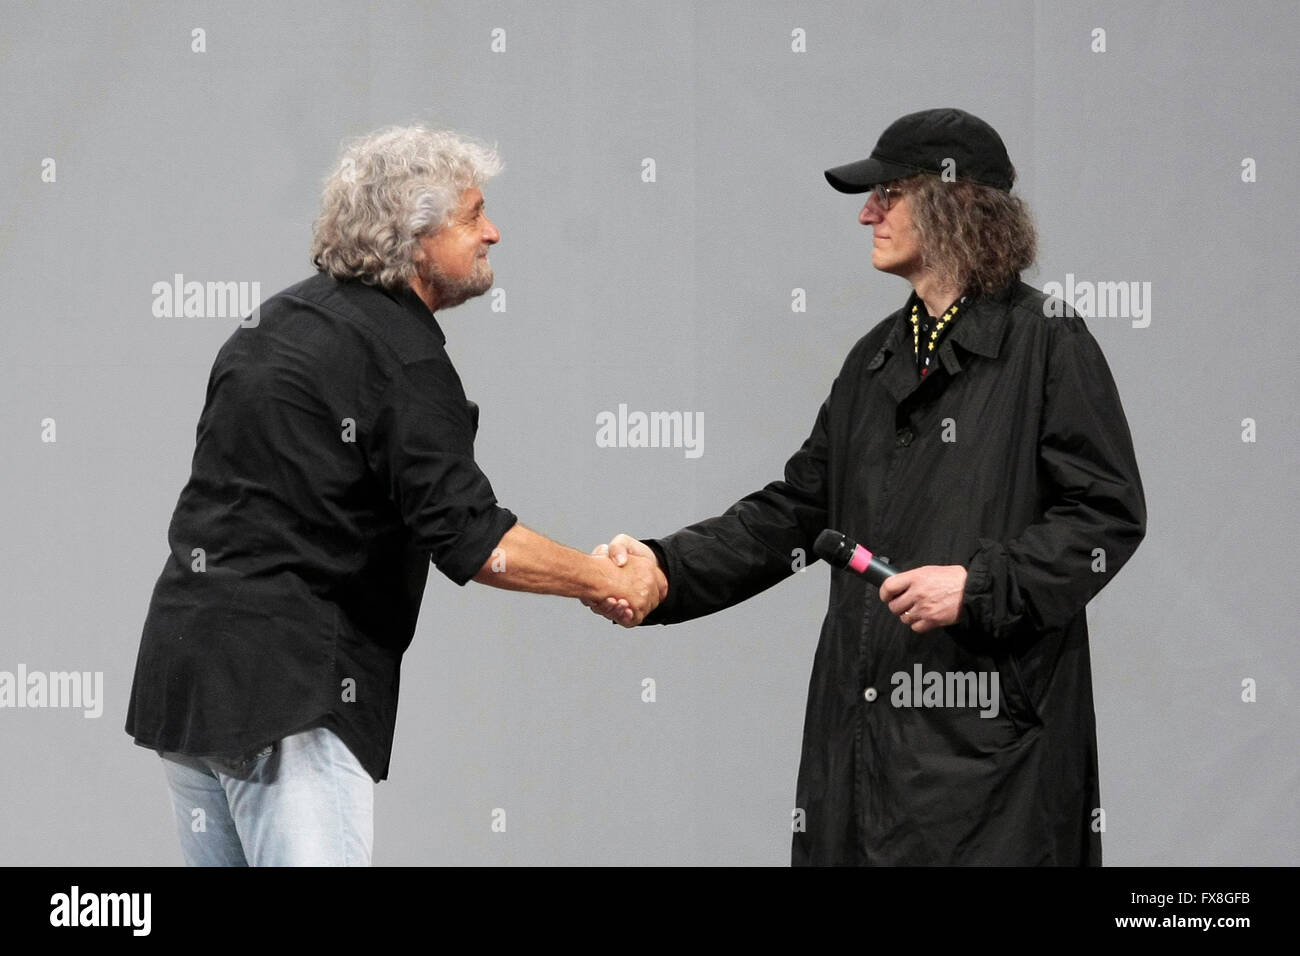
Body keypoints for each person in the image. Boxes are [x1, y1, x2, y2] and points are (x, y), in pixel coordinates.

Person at [588, 108, 1146, 865]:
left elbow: (1106, 519)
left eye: (889, 193)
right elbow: (794, 512)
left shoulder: (1049, 342)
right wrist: (666, 568)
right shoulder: (874, 362)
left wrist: (980, 587)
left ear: (956, 204)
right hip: (859, 752)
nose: (866, 213)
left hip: (987, 763)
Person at [125, 126, 665, 867]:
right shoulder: (403, 358)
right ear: (416, 235)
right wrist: (611, 579)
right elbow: (478, 544)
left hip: (186, 678)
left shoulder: (270, 325)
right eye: (474, 216)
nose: (493, 233)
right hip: (289, 697)